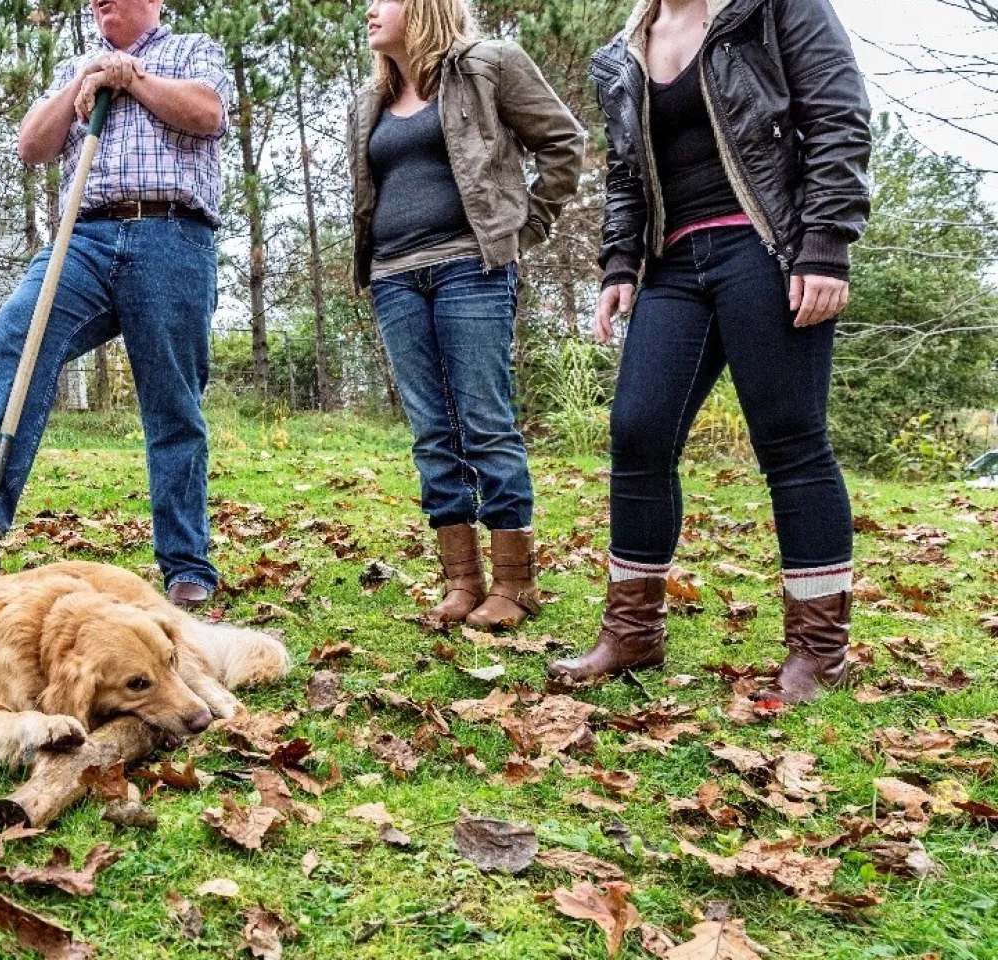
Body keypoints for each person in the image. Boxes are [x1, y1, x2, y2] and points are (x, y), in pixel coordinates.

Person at [550, 0, 871, 703]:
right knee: (638, 430)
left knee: (790, 441)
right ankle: (633, 632)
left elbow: (838, 118)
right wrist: (618, 262)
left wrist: (825, 243)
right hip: (673, 264)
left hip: (766, 247)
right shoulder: (626, 49)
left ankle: (819, 654)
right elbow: (627, 171)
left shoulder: (772, 9)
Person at [0, 0, 232, 610]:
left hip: (171, 232)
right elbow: (32, 146)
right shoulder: (78, 66)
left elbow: (207, 114)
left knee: (172, 402)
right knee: (20, 330)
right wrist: (86, 80)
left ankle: (186, 565)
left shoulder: (191, 50)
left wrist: (132, 79)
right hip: (84, 237)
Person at [349, 0, 585, 630]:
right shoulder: (369, 102)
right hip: (394, 277)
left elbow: (564, 143)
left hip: (469, 269)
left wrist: (524, 227)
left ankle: (514, 583)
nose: (369, 10)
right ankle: (462, 581)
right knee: (431, 431)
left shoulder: (489, 65)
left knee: (485, 423)